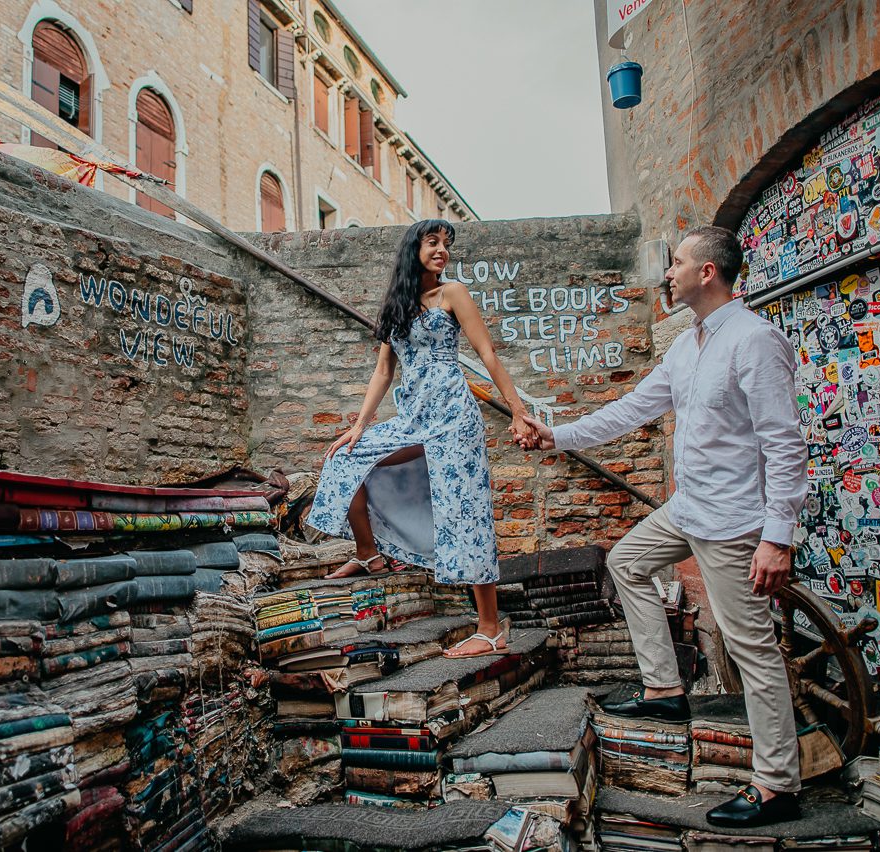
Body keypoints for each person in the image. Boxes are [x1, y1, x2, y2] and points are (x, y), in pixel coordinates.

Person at [515, 226, 807, 827]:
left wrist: (778, 536)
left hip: (732, 522)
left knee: (751, 648)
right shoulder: (686, 346)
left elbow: (785, 444)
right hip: (690, 506)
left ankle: (778, 784)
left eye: (676, 264)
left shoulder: (754, 341)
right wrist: (557, 436)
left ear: (708, 273)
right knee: (626, 562)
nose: (666, 274)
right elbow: (632, 408)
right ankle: (664, 692)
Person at [307, 219, 533, 659]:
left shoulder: (454, 294)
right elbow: (383, 371)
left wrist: (519, 411)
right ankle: (369, 553)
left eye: (446, 244)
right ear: (414, 249)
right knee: (345, 460)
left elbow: (486, 354)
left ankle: (489, 628)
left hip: (452, 417)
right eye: (433, 242)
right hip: (414, 416)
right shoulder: (397, 305)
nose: (441, 250)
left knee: (464, 510)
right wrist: (359, 426)